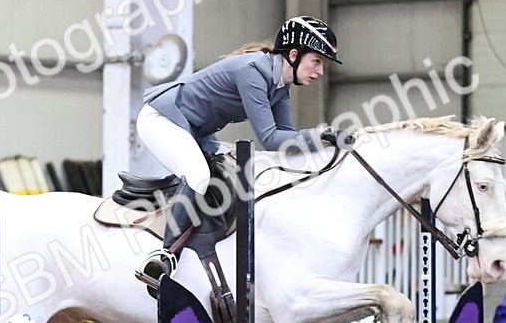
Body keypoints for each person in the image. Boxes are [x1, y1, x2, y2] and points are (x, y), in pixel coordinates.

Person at [136, 15, 351, 283]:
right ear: (294, 54)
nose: (320, 71)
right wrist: (321, 135)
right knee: (198, 175)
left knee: (232, 176)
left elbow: (288, 142)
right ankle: (163, 257)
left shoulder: (279, 88)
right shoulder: (252, 71)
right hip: (162, 119)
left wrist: (323, 145)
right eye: (316, 61)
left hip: (195, 131)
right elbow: (271, 139)